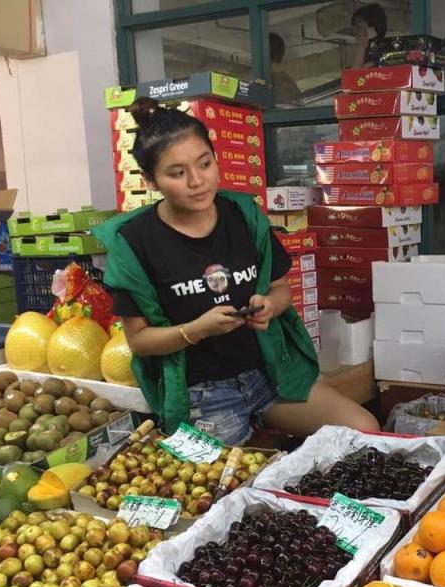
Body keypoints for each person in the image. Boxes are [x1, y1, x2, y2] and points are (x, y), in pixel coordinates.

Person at [94, 97, 379, 444]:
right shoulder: (134, 242)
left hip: (269, 377)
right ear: (150, 180)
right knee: (231, 490)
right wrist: (196, 330)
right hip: (202, 396)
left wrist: (270, 307)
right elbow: (139, 341)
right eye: (177, 173)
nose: (197, 181)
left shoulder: (242, 215)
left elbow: (281, 290)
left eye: (205, 163)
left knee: (365, 431)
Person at [348, 2, 387, 69]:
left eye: (359, 26)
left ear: (372, 29)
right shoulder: (364, 51)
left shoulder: (384, 52)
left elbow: (355, 74)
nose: (355, 30)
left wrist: (361, 47)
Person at [269, 32, 301, 106]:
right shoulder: (276, 77)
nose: (282, 55)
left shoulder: (283, 76)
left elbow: (297, 95)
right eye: (280, 51)